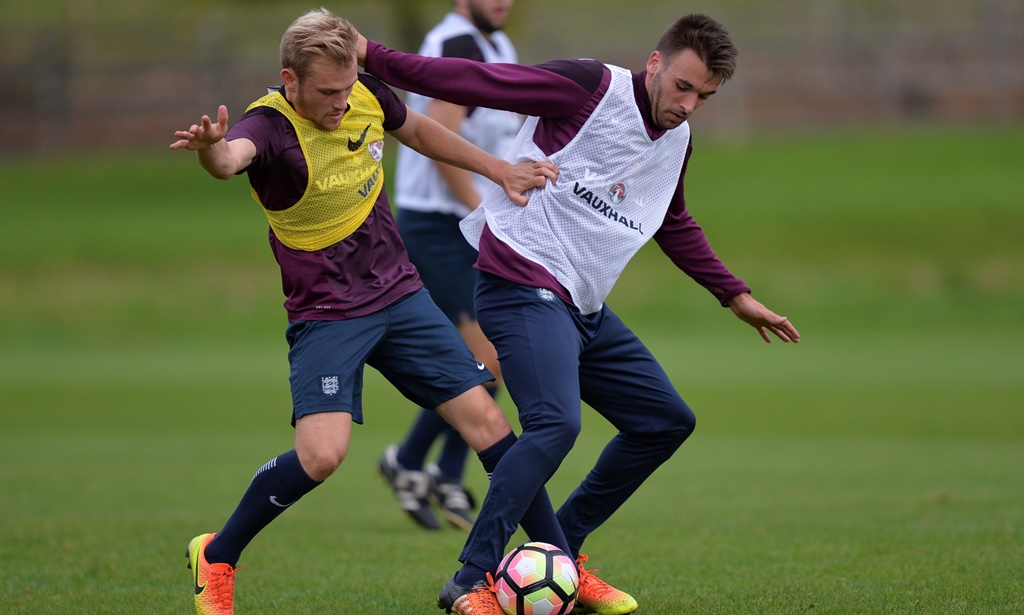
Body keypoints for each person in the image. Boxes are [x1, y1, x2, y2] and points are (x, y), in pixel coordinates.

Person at [357, 12, 801, 615]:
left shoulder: (677, 139)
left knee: (665, 421)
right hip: (520, 282)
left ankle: (559, 553)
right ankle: (472, 580)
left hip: (582, 305)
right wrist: (371, 55)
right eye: (684, 86)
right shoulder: (587, 87)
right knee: (555, 425)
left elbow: (672, 221)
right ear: (655, 64)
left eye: (706, 95)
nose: (691, 104)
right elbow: (474, 81)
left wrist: (735, 295)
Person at [168, 9, 562, 615]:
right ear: (290, 80)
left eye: (347, 87)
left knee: (489, 423)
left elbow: (422, 131)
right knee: (321, 457)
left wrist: (498, 169)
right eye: (326, 92)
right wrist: (211, 149)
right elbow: (230, 159)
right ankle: (217, 555)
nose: (340, 101)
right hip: (328, 312)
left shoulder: (363, 89)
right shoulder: (267, 127)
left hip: (400, 294)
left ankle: (562, 561)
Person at [379, 0, 522, 533]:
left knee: (492, 358)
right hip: (439, 225)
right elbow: (439, 143)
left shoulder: (496, 45)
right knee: (487, 356)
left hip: (472, 224)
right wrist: (483, 211)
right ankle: (427, 465)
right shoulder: (456, 44)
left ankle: (421, 463)